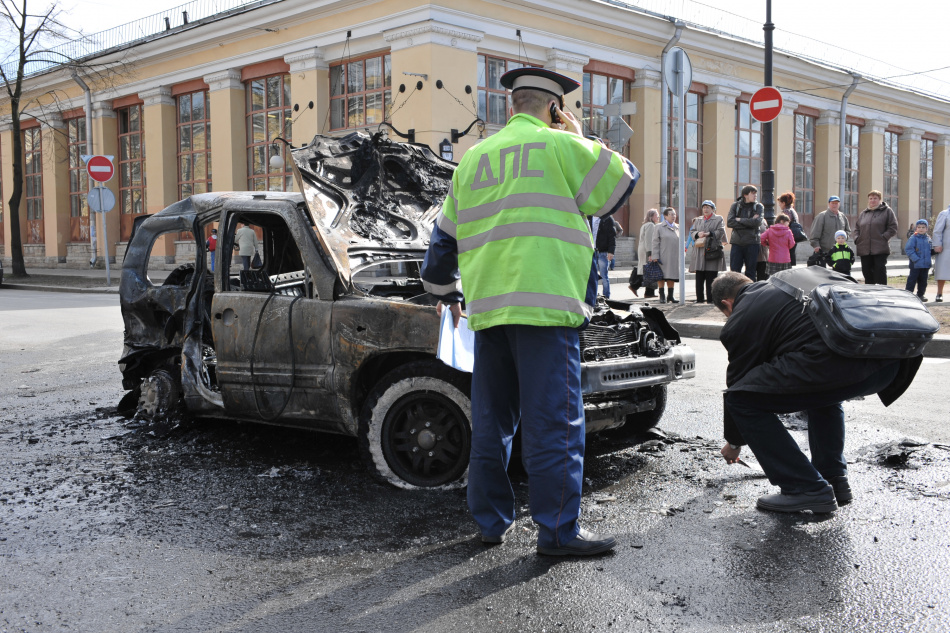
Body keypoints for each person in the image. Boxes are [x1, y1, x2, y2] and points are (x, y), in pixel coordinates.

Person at [420, 67, 639, 556]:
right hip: (547, 310)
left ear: (511, 106)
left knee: (492, 422)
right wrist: (580, 136)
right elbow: (623, 180)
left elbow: (441, 248)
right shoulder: (561, 147)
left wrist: (447, 293)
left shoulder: (472, 160)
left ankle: (490, 524)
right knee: (555, 425)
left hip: (488, 313)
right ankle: (558, 533)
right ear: (554, 109)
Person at [711, 271, 921, 513]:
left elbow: (739, 383)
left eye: (725, 313)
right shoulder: (794, 279)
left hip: (845, 366)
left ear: (727, 304)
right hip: (892, 363)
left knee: (741, 400)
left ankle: (805, 488)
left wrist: (735, 442)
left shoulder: (742, 315)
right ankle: (832, 478)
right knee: (822, 395)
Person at [852, 190, 898, 285]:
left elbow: (893, 227)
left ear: (880, 199)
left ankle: (881, 293)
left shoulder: (887, 211)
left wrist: (884, 237)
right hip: (864, 248)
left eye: (875, 198)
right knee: (866, 271)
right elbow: (857, 228)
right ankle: (869, 294)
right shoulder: (864, 213)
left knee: (879, 271)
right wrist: (857, 239)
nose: (872, 200)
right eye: (870, 198)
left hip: (880, 248)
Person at [688, 200, 725, 303]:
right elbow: (692, 231)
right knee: (699, 277)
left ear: (713, 209)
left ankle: (711, 299)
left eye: (708, 207)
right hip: (699, 250)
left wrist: (709, 233)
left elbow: (721, 231)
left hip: (712, 250)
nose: (705, 209)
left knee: (711, 277)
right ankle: (699, 299)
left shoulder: (718, 218)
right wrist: (697, 234)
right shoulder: (698, 220)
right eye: (704, 207)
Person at [727, 185, 764, 281]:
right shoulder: (735, 206)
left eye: (756, 194)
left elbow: (757, 223)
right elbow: (730, 222)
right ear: (745, 195)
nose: (755, 196)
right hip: (737, 242)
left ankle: (749, 294)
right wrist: (750, 221)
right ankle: (735, 294)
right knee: (734, 273)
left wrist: (740, 220)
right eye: (753, 193)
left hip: (752, 243)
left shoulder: (759, 207)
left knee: (751, 272)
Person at [809, 195, 851, 266]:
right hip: (824, 251)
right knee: (822, 274)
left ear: (839, 204)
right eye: (833, 203)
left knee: (837, 273)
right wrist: (816, 245)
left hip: (839, 252)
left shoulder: (842, 217)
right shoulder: (822, 216)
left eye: (836, 203)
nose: (834, 205)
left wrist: (844, 238)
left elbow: (848, 231)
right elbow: (815, 232)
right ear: (829, 204)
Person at [651, 207, 680, 303]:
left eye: (674, 214)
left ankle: (670, 296)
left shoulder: (678, 227)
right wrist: (655, 255)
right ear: (665, 216)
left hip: (674, 256)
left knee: (672, 276)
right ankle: (662, 295)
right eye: (671, 214)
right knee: (661, 276)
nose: (673, 216)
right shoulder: (659, 227)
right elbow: (655, 242)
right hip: (663, 255)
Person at [633, 209, 659, 298]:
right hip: (647, 250)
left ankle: (648, 292)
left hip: (644, 249)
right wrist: (650, 253)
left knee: (646, 270)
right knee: (649, 270)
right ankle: (635, 286)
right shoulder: (651, 225)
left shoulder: (646, 225)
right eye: (656, 215)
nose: (658, 217)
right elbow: (649, 240)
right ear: (651, 216)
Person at [905, 219, 933, 301]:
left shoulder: (928, 239)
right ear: (916, 228)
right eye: (919, 227)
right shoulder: (913, 238)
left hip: (925, 264)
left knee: (923, 281)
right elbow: (909, 249)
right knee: (912, 279)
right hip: (915, 264)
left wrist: (934, 251)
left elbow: (930, 249)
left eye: (923, 227)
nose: (921, 229)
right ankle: (908, 295)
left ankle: (920, 295)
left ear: (926, 229)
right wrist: (916, 259)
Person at [592, 215, 617, 298]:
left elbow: (612, 236)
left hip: (603, 252)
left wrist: (611, 251)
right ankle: (593, 297)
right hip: (591, 252)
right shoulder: (588, 218)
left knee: (604, 276)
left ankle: (606, 297)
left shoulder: (607, 219)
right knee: (592, 276)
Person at [777, 192, 800, 266]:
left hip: (787, 237)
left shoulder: (786, 211)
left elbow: (784, 225)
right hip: (793, 236)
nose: (779, 205)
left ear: (783, 203)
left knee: (787, 258)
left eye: (780, 203)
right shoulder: (792, 210)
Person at [934, 205, 950, 302]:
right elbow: (937, 231)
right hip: (945, 248)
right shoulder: (944, 214)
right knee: (942, 271)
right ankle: (939, 293)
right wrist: (937, 244)